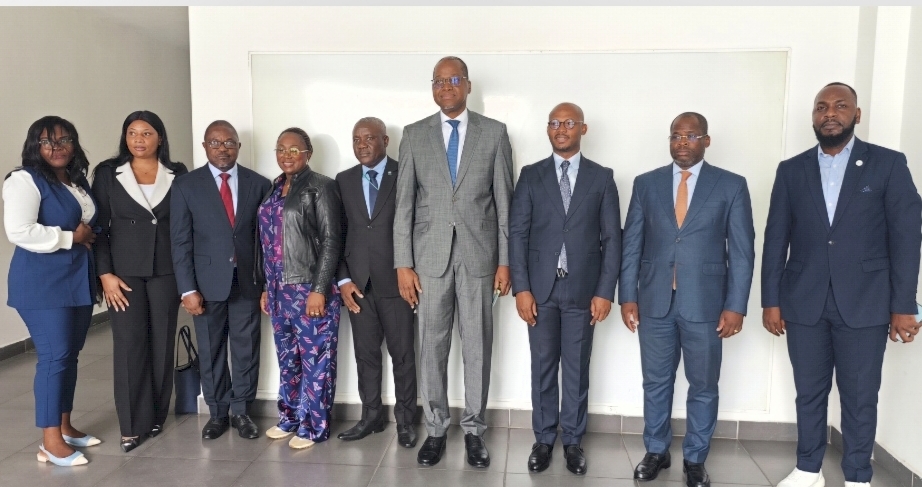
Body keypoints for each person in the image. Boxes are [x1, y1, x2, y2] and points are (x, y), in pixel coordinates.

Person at [762, 83, 921, 487]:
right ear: (813, 117)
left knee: (860, 395)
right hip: (803, 301)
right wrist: (770, 300)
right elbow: (776, 238)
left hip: (867, 302)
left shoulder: (888, 164)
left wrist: (905, 304)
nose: (829, 113)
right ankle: (807, 470)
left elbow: (906, 238)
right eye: (821, 107)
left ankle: (857, 477)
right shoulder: (791, 170)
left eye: (840, 106)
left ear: (857, 114)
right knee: (808, 391)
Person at [619, 112, 755, 487]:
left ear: (706, 141)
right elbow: (631, 245)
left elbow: (742, 252)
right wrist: (627, 296)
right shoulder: (646, 184)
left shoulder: (731, 185)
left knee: (703, 385)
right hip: (654, 301)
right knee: (655, 382)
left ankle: (695, 458)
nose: (682, 142)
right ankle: (656, 451)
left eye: (691, 135)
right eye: (676, 136)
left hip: (707, 304)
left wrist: (736, 305)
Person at [393, 56, 514, 468]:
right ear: (433, 88)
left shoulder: (494, 133)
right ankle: (436, 429)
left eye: (454, 80)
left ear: (468, 85)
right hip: (428, 259)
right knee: (431, 346)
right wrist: (403, 263)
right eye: (438, 81)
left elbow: (504, 204)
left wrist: (505, 262)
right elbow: (404, 205)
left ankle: (475, 431)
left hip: (480, 258)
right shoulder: (414, 135)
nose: (446, 87)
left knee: (478, 346)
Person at [509, 103, 621, 475]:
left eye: (569, 122)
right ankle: (543, 440)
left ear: (582, 129)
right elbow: (518, 235)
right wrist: (521, 289)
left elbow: (612, 239)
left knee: (576, 369)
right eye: (554, 123)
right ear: (548, 129)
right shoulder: (531, 175)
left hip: (583, 290)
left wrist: (604, 291)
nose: (561, 128)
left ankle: (572, 441)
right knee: (542, 366)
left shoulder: (602, 178)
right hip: (540, 290)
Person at [3, 116, 100, 467]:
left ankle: (64, 425)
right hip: (42, 284)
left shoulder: (75, 180)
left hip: (76, 279)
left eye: (64, 140)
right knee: (54, 357)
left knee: (69, 355)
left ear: (74, 144)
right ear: (35, 146)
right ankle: (49, 441)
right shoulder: (24, 180)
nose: (57, 147)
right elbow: (19, 230)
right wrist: (71, 237)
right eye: (47, 141)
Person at [91, 110, 188, 453]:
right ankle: (132, 425)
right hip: (124, 273)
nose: (138, 139)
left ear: (160, 137)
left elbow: (184, 226)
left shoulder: (178, 173)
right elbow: (98, 228)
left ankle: (156, 416)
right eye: (132, 133)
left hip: (166, 271)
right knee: (129, 345)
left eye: (146, 133)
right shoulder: (108, 173)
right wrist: (105, 274)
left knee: (162, 343)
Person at [170, 120, 271, 440]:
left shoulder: (259, 184)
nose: (223, 149)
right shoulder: (186, 185)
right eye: (215, 143)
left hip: (247, 282)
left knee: (246, 350)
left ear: (239, 146)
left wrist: (267, 285)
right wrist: (187, 289)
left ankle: (242, 411)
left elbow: (266, 241)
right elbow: (180, 242)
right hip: (205, 285)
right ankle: (217, 413)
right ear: (205, 147)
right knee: (211, 350)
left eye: (229, 143)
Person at [258, 127, 343, 449]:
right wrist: (267, 287)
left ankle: (314, 426)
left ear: (308, 153)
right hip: (278, 290)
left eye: (294, 149)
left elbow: (332, 240)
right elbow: (268, 242)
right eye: (281, 149)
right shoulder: (274, 187)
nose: (286, 155)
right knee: (288, 359)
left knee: (316, 361)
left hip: (309, 290)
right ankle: (290, 416)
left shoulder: (321, 186)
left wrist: (319, 289)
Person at [336, 118, 418, 448]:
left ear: (385, 140)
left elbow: (418, 226)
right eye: (356, 139)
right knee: (365, 356)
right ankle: (371, 417)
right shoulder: (343, 180)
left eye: (369, 138)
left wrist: (411, 270)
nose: (362, 145)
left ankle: (406, 421)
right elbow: (336, 234)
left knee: (403, 356)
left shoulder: (406, 173)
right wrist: (343, 279)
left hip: (397, 282)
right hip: (358, 285)